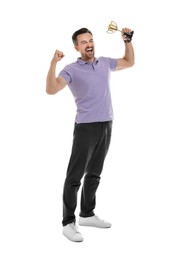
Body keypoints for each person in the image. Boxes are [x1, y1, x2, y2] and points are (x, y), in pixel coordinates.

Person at [46, 26, 134, 242]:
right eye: (83, 42)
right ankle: (68, 222)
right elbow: (51, 89)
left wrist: (127, 41)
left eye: (91, 40)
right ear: (76, 47)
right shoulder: (71, 69)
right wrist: (53, 63)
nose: (89, 44)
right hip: (86, 127)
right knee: (74, 177)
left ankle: (86, 214)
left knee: (94, 173)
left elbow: (129, 62)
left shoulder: (103, 63)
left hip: (107, 124)